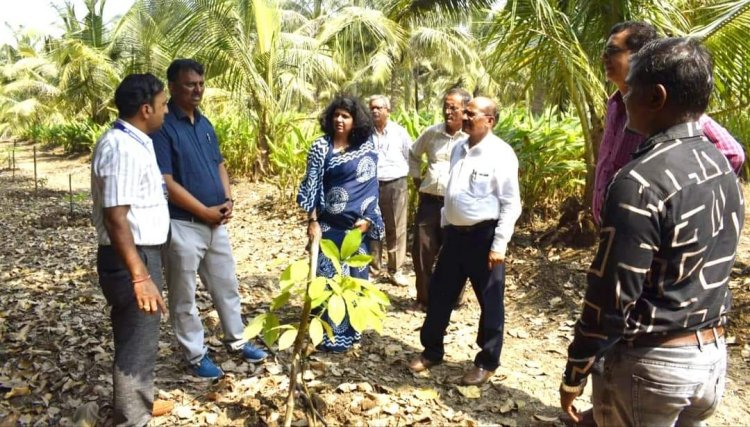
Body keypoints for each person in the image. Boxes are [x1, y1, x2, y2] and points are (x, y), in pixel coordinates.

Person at [560, 37, 744, 426]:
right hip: (709, 359)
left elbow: (611, 295)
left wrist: (576, 370)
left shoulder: (640, 181)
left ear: (656, 97)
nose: (623, 98)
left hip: (654, 367)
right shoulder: (719, 167)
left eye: (631, 88)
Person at [151, 59, 267, 379]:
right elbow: (167, 182)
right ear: (173, 87)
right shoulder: (163, 127)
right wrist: (203, 211)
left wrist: (228, 200)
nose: (198, 89)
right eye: (190, 84)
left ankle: (237, 339)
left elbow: (220, 164)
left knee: (226, 284)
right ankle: (194, 353)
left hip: (216, 224)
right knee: (184, 294)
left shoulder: (204, 123)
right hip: (182, 224)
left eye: (201, 83)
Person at [408, 97, 522, 386]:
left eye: (472, 114)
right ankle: (432, 351)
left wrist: (499, 245)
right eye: (465, 113)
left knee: (490, 302)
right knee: (440, 294)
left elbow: (511, 204)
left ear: (490, 121)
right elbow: (453, 192)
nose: (466, 118)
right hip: (456, 237)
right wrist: (447, 221)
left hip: (484, 238)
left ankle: (487, 361)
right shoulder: (460, 147)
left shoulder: (501, 154)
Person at [592, 21, 744, 226]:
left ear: (639, 56)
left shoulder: (666, 110)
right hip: (614, 225)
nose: (604, 57)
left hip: (647, 230)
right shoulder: (614, 104)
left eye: (612, 50)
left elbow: (731, 153)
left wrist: (687, 204)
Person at [91, 73, 172, 425]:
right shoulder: (120, 147)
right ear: (145, 109)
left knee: (143, 333)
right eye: (163, 104)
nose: (166, 111)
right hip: (131, 257)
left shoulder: (136, 140)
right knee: (135, 339)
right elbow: (116, 218)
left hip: (141, 253)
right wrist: (140, 275)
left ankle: (139, 400)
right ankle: (132, 417)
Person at [297, 95, 385, 352]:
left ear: (355, 120)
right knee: (326, 279)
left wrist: (369, 219)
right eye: (336, 115)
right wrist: (312, 221)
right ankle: (325, 334)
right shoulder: (320, 147)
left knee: (354, 279)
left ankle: (350, 333)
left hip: (357, 229)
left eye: (345, 116)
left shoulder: (366, 146)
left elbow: (372, 185)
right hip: (327, 227)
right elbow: (311, 186)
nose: (339, 120)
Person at [408, 88, 471, 311]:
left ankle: (454, 299)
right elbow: (413, 154)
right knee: (422, 251)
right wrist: (417, 179)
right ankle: (424, 298)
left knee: (455, 253)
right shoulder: (432, 133)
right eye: (445, 106)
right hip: (430, 203)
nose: (447, 111)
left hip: (456, 205)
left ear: (465, 110)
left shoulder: (470, 139)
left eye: (453, 107)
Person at [368, 95, 412, 287]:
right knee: (372, 226)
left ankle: (396, 270)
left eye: (379, 108)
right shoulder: (364, 133)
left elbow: (409, 155)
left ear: (388, 110)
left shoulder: (399, 132)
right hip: (370, 185)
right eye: (372, 108)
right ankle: (373, 270)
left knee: (397, 228)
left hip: (396, 183)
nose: (375, 111)